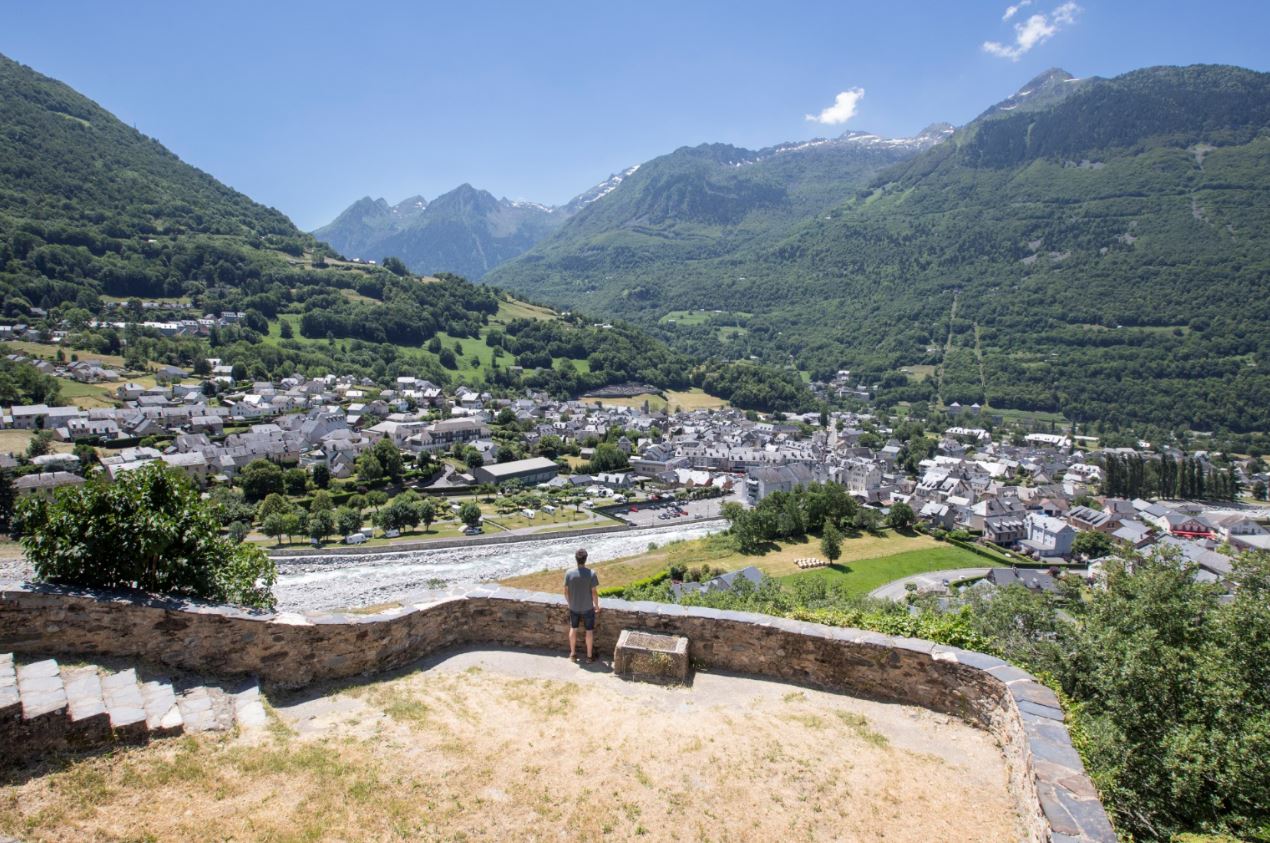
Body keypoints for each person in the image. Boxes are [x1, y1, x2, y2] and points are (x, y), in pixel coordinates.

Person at [564, 548, 600, 662]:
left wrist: (570, 603)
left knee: (573, 629)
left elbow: (566, 592)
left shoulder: (568, 573)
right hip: (588, 608)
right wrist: (597, 606)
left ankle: (573, 654)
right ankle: (589, 657)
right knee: (589, 631)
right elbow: (594, 593)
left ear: (576, 559)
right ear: (586, 559)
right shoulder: (591, 573)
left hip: (573, 607)